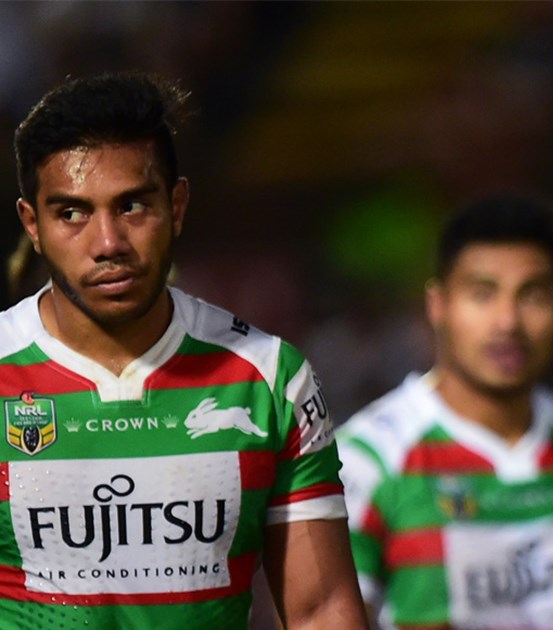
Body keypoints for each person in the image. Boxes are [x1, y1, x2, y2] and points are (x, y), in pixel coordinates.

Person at [1, 74, 365, 627]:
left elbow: (321, 610)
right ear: (33, 225)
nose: (108, 244)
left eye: (132, 206)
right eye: (72, 213)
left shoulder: (269, 379)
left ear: (176, 205)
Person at [336, 197, 553, 629]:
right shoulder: (367, 460)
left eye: (533, 295)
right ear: (437, 304)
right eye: (482, 294)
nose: (508, 322)